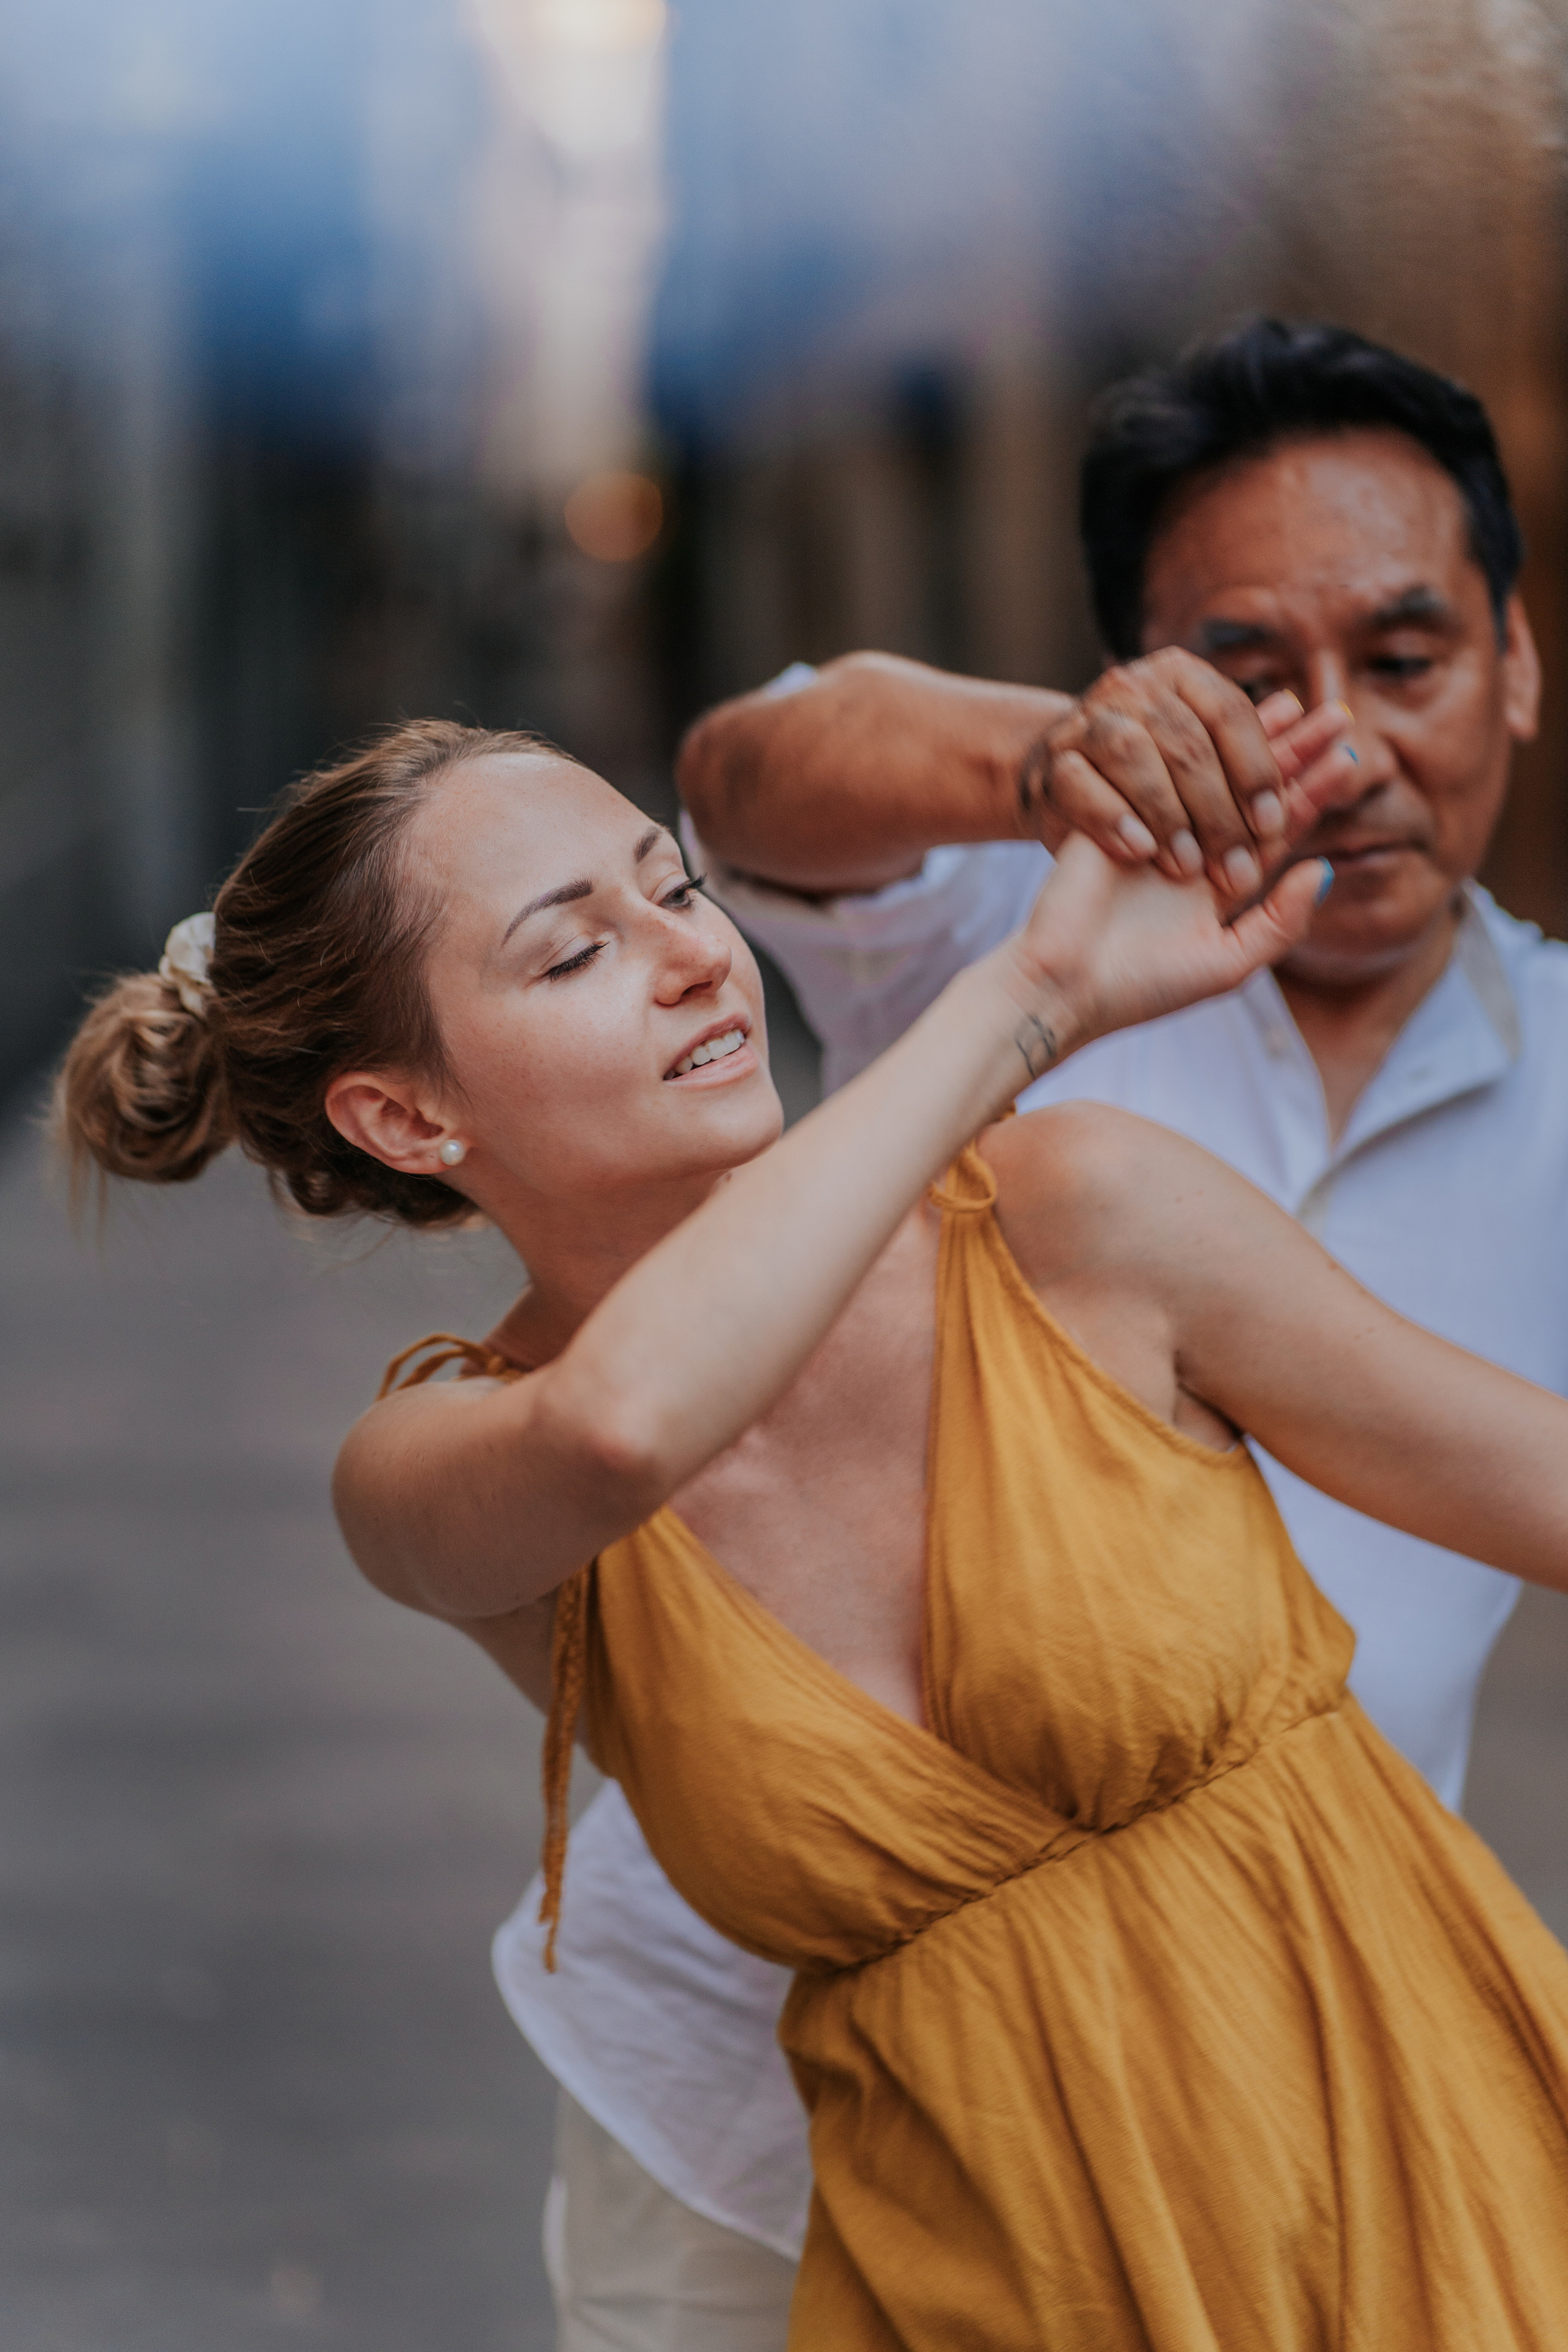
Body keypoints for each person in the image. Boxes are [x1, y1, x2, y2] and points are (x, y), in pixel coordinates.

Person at [55, 717, 1568, 2349]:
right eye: (574, 953)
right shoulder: (434, 1469)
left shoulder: (1079, 1218)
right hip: (985, 2271)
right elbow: (627, 1422)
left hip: (1416, 2151)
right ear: (409, 1120)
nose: (698, 957)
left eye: (678, 886)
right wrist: (1026, 1000)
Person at [490, 317, 1568, 2346]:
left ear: (1515, 664)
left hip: (1255, 2090)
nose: (1329, 741)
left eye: (1404, 660)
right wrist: (1047, 768)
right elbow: (744, 777)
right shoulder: (1015, 917)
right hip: (730, 2090)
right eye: (1247, 673)